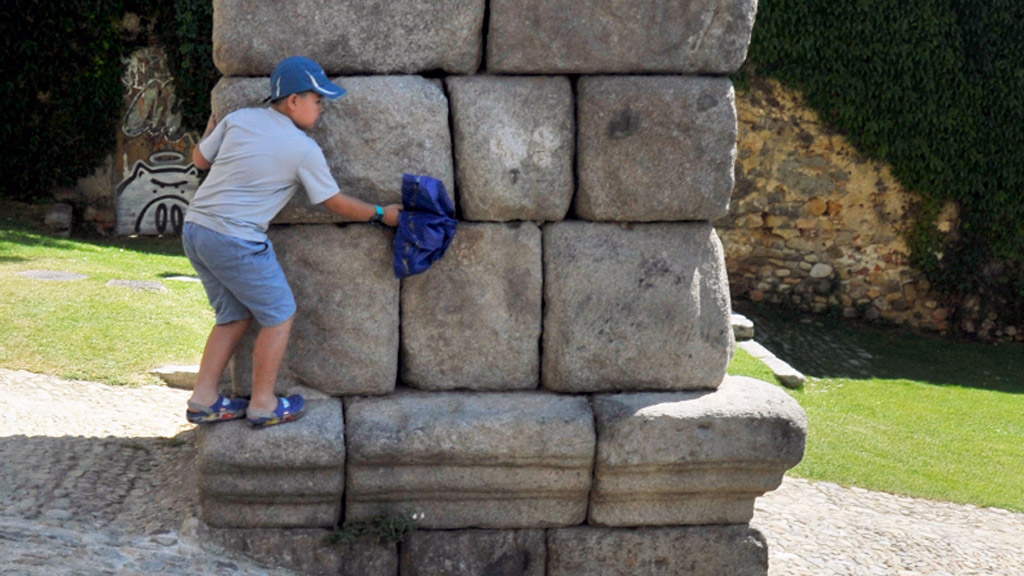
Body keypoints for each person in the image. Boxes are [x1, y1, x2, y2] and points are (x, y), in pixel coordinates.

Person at [182, 56, 401, 428]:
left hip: (196, 229)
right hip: (236, 239)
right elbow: (334, 201)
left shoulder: (239, 119)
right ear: (293, 101)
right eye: (317, 99)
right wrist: (382, 213)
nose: (322, 107)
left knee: (232, 315)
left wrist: (209, 129)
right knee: (279, 315)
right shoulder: (303, 149)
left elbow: (199, 160)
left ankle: (204, 399)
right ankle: (264, 404)